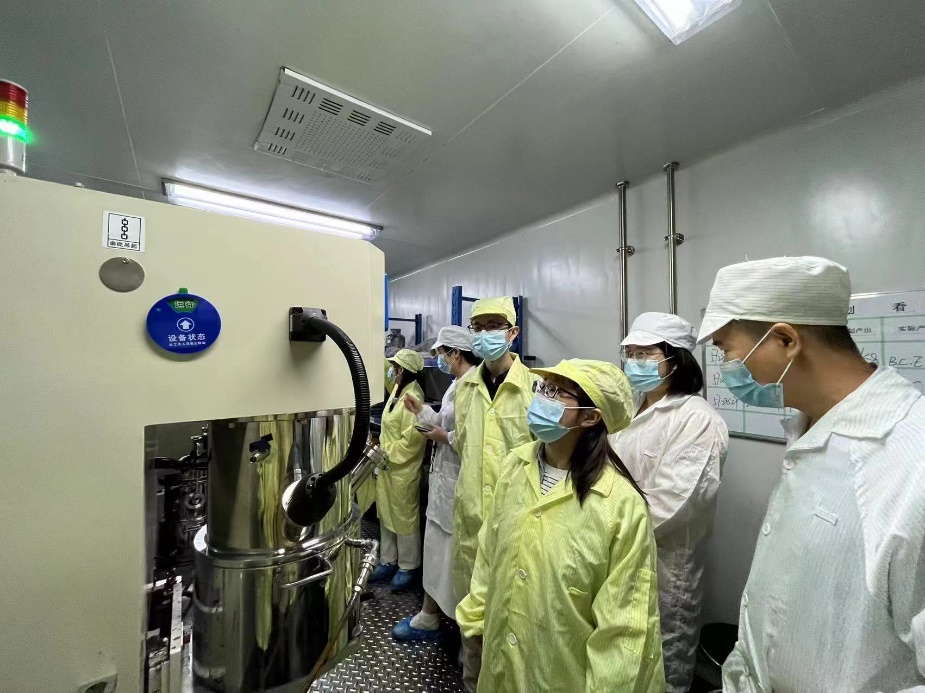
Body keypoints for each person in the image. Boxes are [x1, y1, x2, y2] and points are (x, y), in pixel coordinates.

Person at [697, 256, 925, 692]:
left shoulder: (910, 460)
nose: (727, 368)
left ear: (785, 340)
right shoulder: (811, 430)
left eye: (726, 350)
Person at [457, 359, 665, 692]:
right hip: (498, 662)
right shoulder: (515, 466)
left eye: (556, 392)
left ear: (590, 417)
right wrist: (476, 623)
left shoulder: (621, 506)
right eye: (543, 387)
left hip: (560, 675)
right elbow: (489, 552)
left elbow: (625, 630)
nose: (541, 397)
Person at [609, 312, 729, 693]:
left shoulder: (697, 420)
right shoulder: (631, 407)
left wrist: (602, 528)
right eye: (630, 353)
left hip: (662, 570)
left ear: (676, 360)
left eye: (645, 354)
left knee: (661, 670)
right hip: (613, 556)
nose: (634, 362)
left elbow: (672, 505)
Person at [452, 296, 537, 691]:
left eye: (494, 326)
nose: (485, 334)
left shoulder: (535, 388)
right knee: (473, 619)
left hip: (516, 520)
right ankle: (473, 681)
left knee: (514, 618)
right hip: (471, 519)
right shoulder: (465, 387)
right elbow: (464, 445)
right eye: (479, 327)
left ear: (512, 332)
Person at [391, 326, 481, 641]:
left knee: (457, 559)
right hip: (444, 483)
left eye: (441, 353)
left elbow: (478, 440)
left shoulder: (475, 386)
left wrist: (445, 437)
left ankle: (466, 634)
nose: (440, 359)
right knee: (437, 552)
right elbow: (445, 423)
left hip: (460, 484)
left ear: (455, 353)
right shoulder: (456, 384)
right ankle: (430, 615)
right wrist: (422, 412)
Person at [369, 348, 427, 591]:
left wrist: (385, 450)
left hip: (403, 469)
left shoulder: (413, 396)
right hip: (387, 467)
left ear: (405, 370)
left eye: (396, 367)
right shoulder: (397, 390)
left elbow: (412, 441)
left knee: (404, 517)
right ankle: (388, 559)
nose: (392, 371)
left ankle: (408, 565)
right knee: (386, 513)